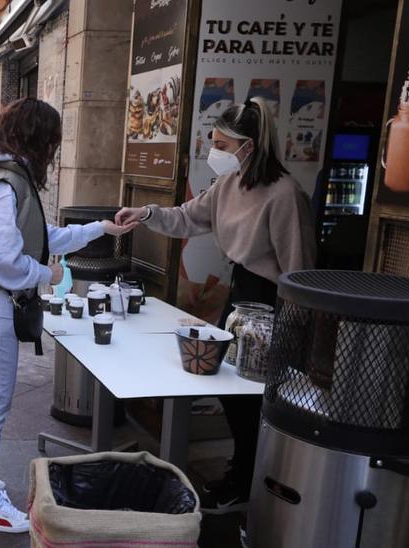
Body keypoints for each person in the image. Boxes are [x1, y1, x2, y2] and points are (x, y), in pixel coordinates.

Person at [113, 98, 315, 515]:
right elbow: (187, 218)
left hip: (272, 305)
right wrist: (146, 212)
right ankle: (242, 474)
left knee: (257, 402)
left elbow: (299, 272)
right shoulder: (229, 185)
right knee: (232, 396)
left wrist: (296, 335)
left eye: (223, 143)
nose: (216, 151)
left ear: (249, 145)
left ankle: (253, 485)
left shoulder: (285, 196)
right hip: (240, 298)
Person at [0, 98, 127, 534]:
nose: (54, 151)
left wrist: (102, 229)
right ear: (35, 139)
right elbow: (5, 260)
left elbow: (42, 236)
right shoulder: (5, 185)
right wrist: (48, 273)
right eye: (51, 141)